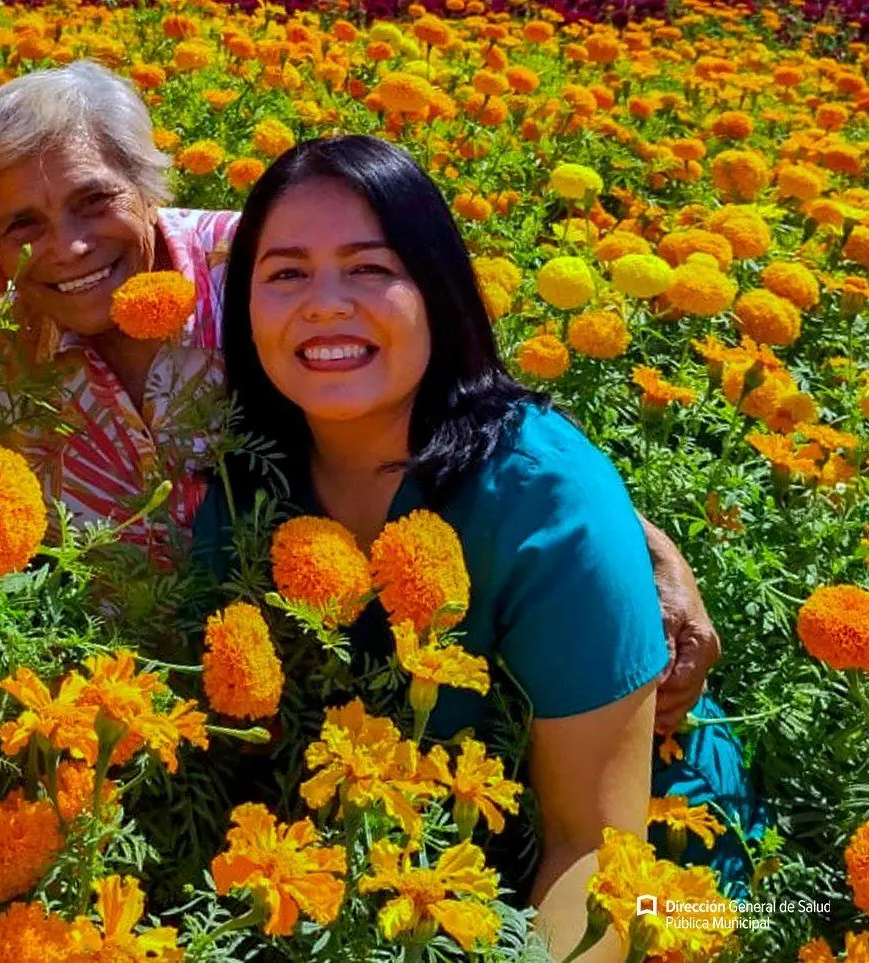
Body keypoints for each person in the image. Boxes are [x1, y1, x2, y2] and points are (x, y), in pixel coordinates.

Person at [0, 60, 716, 740]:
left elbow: (468, 409)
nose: (67, 246)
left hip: (345, 686)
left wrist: (645, 549)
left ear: (150, 184)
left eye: (93, 200)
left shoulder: (271, 273)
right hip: (124, 712)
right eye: (24, 222)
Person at [190, 135, 765, 960]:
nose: (323, 303)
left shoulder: (543, 498)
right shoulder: (246, 481)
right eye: (285, 273)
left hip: (651, 873)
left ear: (438, 289)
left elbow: (596, 845)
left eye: (370, 268)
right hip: (403, 881)